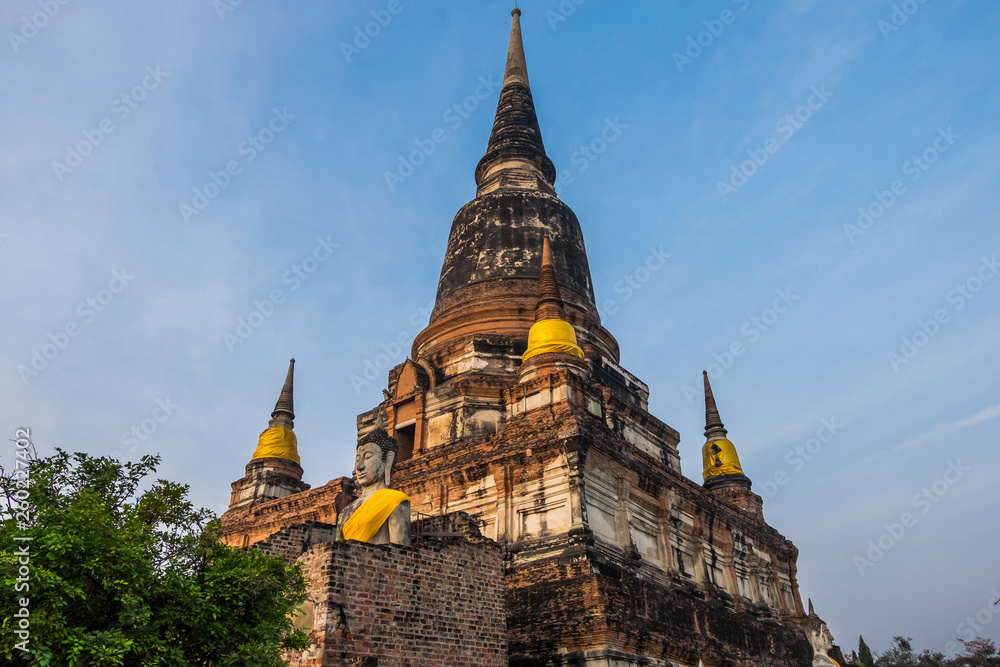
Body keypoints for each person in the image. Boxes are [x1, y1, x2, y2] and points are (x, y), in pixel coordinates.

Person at [335, 425, 411, 546]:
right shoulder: (345, 512)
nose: (359, 466)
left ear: (388, 460)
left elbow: (400, 551)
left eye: (368, 457)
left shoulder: (395, 501)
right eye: (358, 459)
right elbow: (338, 551)